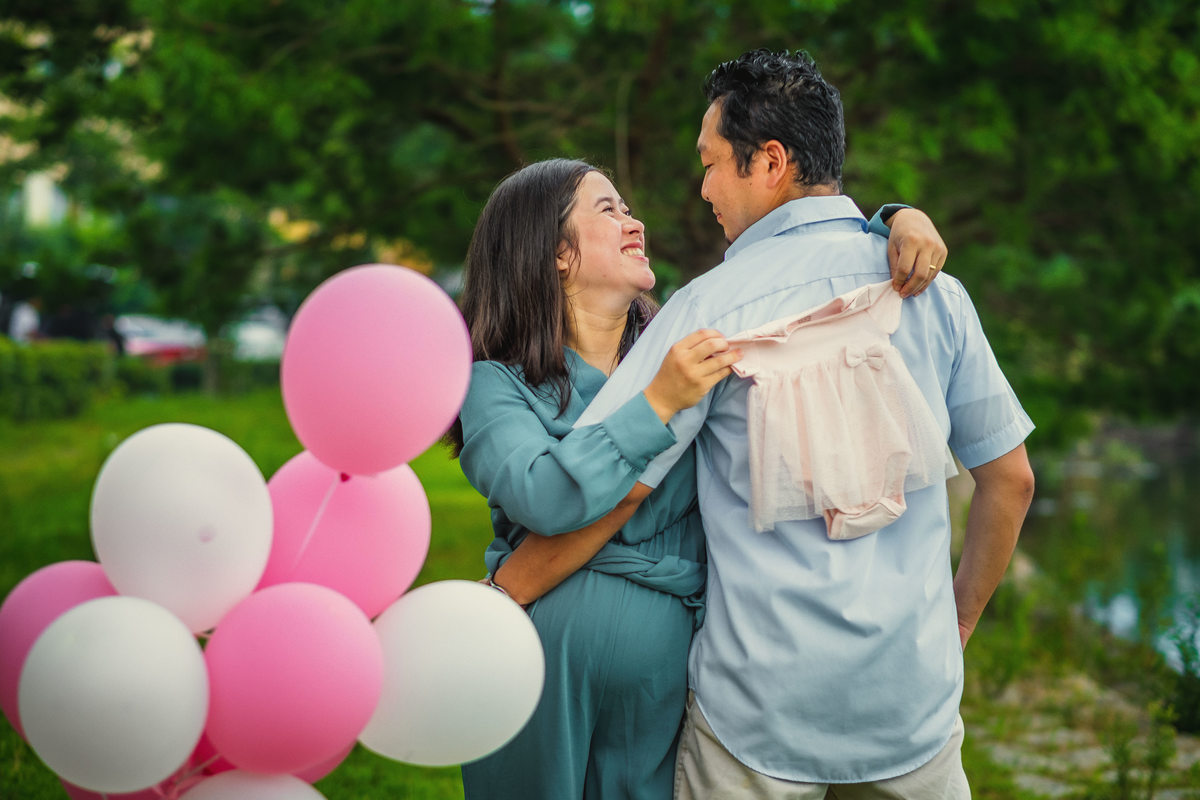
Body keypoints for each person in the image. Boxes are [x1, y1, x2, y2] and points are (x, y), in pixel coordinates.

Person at [575, 49, 1036, 799]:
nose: (702, 189)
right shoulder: (935, 293)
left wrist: (514, 584)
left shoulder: (705, 307)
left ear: (772, 162)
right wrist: (954, 629)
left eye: (713, 163)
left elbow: (609, 480)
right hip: (911, 704)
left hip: (758, 714)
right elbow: (1010, 482)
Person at [448, 156, 947, 799]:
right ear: (553, 253)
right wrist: (656, 403)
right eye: (608, 210)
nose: (635, 222)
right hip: (537, 660)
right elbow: (542, 496)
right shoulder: (497, 383)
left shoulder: (687, 339)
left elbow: (802, 288)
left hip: (671, 674)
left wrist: (890, 221)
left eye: (629, 208)